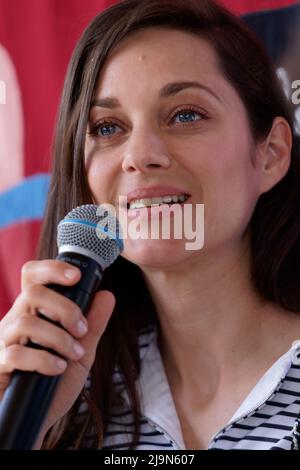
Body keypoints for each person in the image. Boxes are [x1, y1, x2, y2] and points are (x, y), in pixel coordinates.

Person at [1, 0, 300, 451]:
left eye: (185, 115)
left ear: (271, 153)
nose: (139, 155)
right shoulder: (63, 402)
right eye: (107, 127)